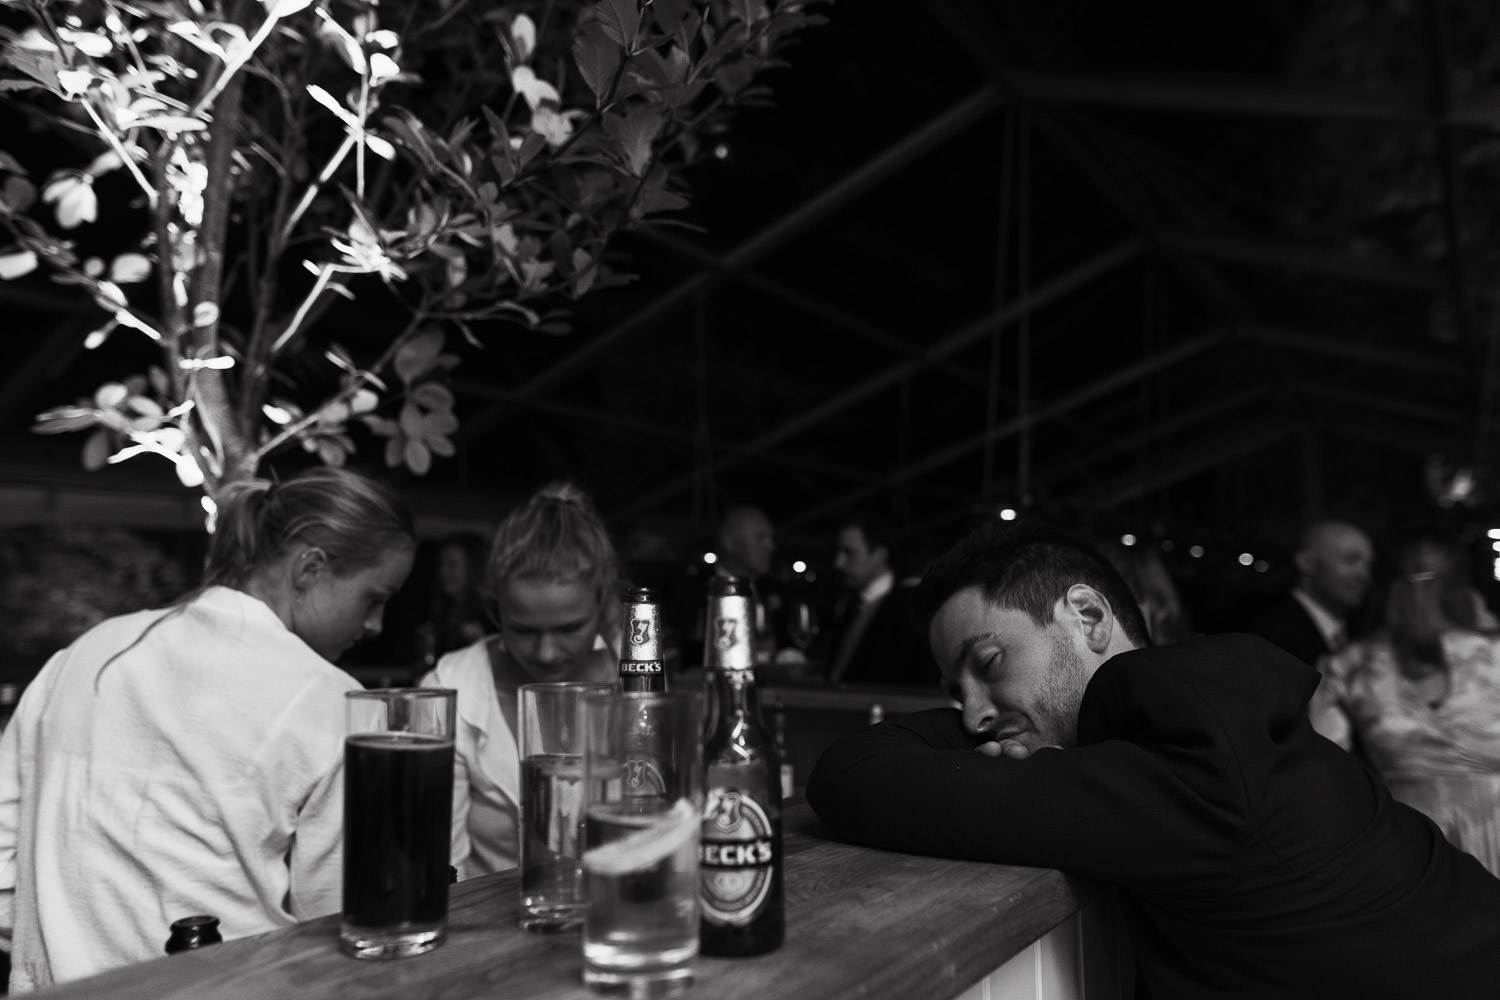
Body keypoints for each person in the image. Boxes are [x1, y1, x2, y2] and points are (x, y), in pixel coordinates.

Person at [806, 519, 1500, 999]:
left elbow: (852, 776)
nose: (975, 712)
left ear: (1088, 616)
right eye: (956, 693)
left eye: (989, 662)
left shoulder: (1193, 759)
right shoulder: (1215, 719)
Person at [0, 467, 416, 991]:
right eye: (374, 598)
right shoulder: (335, 700)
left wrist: (47, 952)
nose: (376, 624)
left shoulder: (89, 648)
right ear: (309, 568)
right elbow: (339, 915)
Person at [420, 483, 622, 878]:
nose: (547, 653)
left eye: (569, 628)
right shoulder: (452, 691)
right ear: (496, 608)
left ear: (601, 601)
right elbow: (440, 867)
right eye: (524, 630)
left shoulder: (637, 677)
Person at [1311, 533, 1500, 874]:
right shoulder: (1495, 654)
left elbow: (1322, 771)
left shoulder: (1349, 665)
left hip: (1408, 858)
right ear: (1461, 585)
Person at [823, 511, 933, 686]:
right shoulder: (852, 606)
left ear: (879, 555)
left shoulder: (909, 610)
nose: (838, 562)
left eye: (849, 553)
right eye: (838, 552)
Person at [1247, 519, 1373, 665]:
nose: (1365, 575)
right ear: (1307, 562)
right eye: (1350, 560)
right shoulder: (1273, 637)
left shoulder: (1358, 632)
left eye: (1369, 564)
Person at [711, 504, 780, 662]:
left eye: (771, 538)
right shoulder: (693, 594)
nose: (771, 546)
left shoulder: (774, 591)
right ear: (729, 543)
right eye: (760, 537)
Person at [415, 532, 488, 669]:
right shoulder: (438, 611)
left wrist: (481, 642)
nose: (443, 572)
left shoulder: (489, 612)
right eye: (440, 564)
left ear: (473, 568)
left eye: (452, 565)